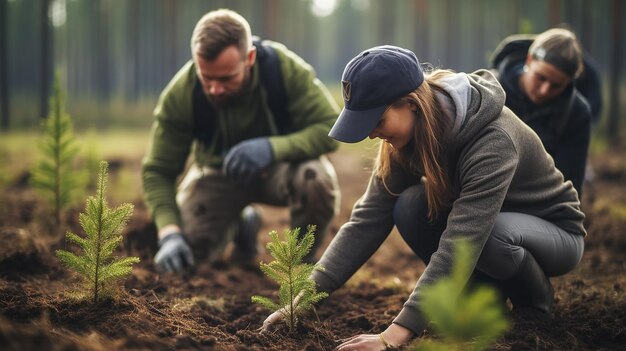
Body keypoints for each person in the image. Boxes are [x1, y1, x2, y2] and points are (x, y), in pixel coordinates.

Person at [261, 45, 586, 350]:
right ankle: (482, 296)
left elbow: (464, 240)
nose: (373, 134)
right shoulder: (409, 138)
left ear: (411, 104)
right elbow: (366, 221)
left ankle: (535, 301)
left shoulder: (492, 140)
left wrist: (394, 335)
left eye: (376, 121)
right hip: (492, 231)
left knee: (490, 235)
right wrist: (302, 301)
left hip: (553, 232)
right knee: (410, 205)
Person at [142, 8, 341, 274]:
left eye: (226, 78)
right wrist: (169, 234)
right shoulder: (181, 94)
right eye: (206, 78)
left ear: (249, 58)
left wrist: (272, 148)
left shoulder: (283, 70)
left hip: (282, 169)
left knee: (314, 177)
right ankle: (243, 222)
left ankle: (301, 267)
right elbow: (158, 170)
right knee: (188, 254)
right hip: (218, 176)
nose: (215, 89)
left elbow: (330, 128)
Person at [490, 28, 594, 196]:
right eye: (541, 78)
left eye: (556, 85)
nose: (545, 90)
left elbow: (569, 185)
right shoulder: (488, 90)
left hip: (536, 204)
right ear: (529, 60)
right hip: (478, 190)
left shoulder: (576, 114)